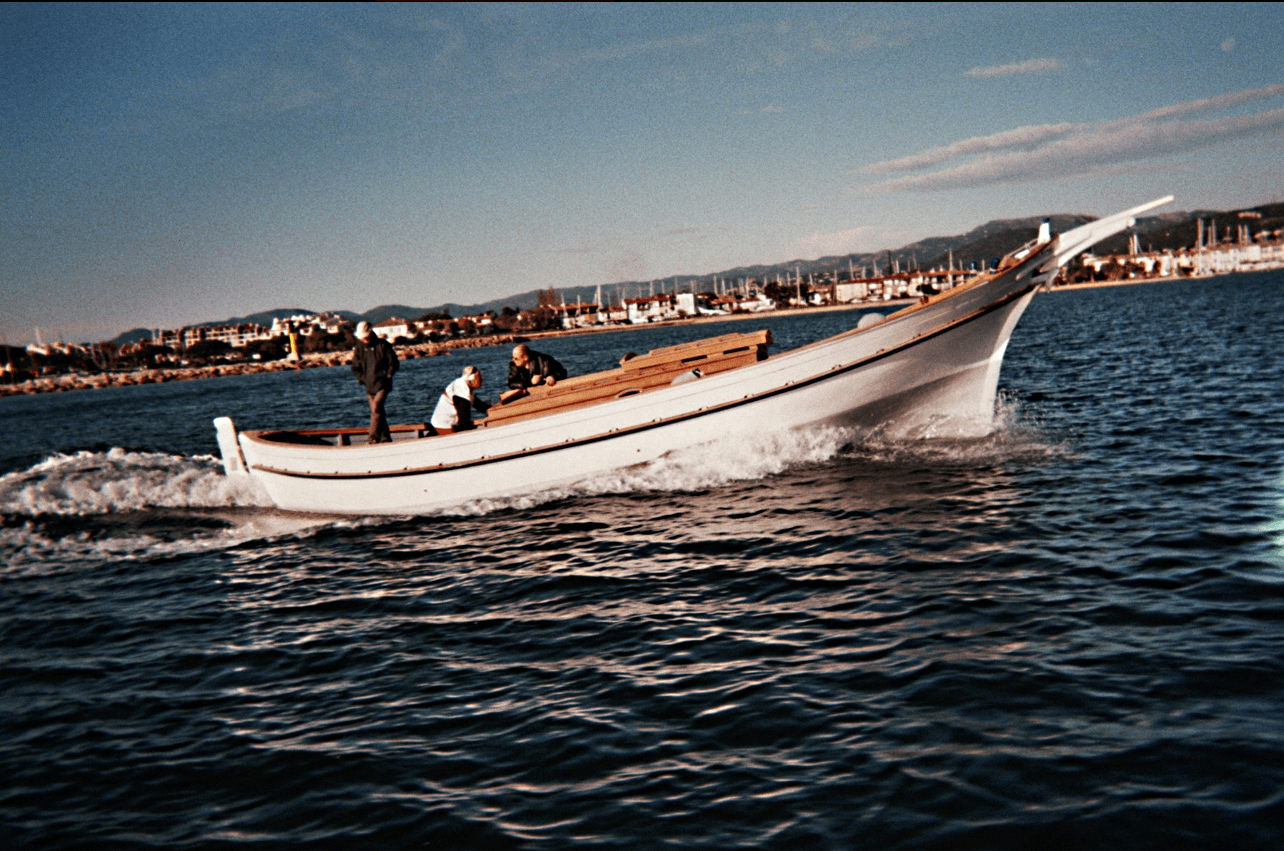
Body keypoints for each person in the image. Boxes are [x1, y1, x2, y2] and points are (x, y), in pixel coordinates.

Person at [350, 321, 398, 444]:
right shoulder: (359, 347)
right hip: (369, 384)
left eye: (365, 337)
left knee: (376, 408)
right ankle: (385, 437)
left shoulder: (383, 345)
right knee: (378, 411)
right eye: (362, 337)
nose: (364, 339)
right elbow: (355, 366)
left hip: (383, 383)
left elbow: (394, 363)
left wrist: (388, 374)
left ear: (370, 333)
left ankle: (373, 437)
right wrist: (362, 378)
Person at [430, 366, 490, 432]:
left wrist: (494, 409)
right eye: (478, 377)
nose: (481, 379)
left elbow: (479, 405)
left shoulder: (465, 387)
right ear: (470, 380)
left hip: (450, 424)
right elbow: (464, 422)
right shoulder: (461, 393)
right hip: (444, 426)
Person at [501, 343, 567, 403]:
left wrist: (553, 376)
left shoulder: (544, 360)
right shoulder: (514, 365)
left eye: (515, 358)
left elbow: (562, 372)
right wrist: (530, 382)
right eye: (512, 357)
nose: (513, 360)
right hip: (531, 397)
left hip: (549, 396)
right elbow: (511, 383)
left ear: (525, 358)